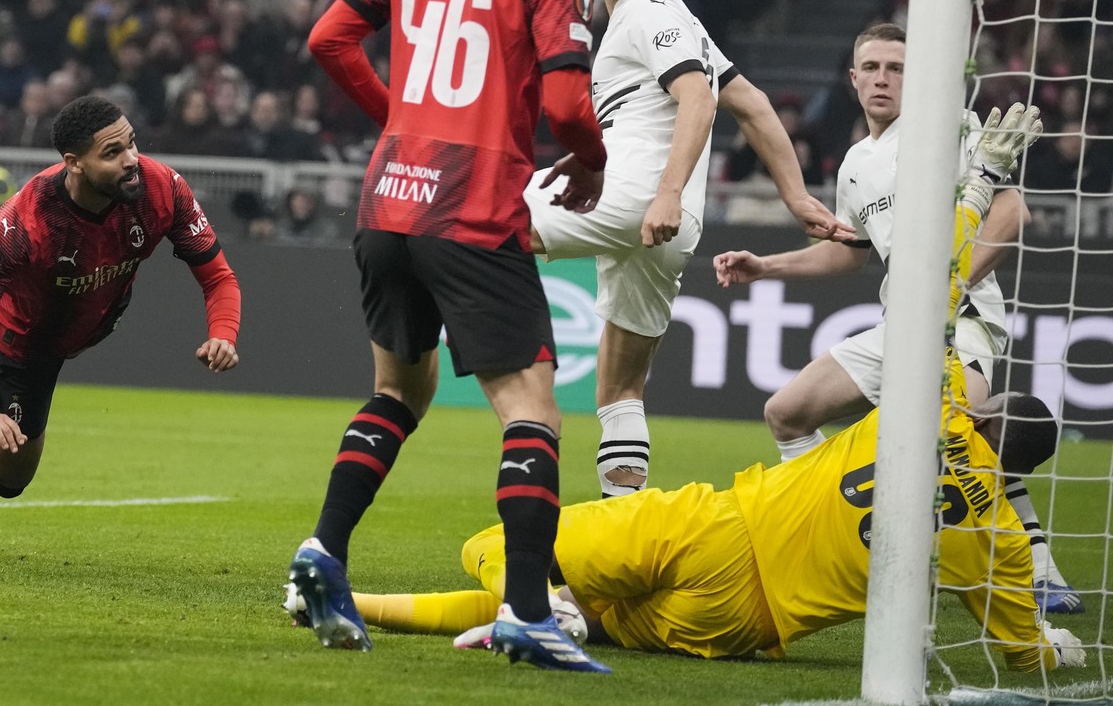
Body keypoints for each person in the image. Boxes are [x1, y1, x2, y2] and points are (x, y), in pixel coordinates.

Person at [316, 110, 1087, 673]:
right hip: (738, 623)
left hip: (715, 528)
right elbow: (1021, 647)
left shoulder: (933, 406)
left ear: (983, 410)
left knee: (492, 548)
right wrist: (1051, 648)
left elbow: (936, 284)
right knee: (578, 607)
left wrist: (978, 183)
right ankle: (380, 604)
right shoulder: (993, 535)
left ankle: (482, 601)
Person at [291, 0, 610, 671]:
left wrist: (401, 118)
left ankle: (322, 551)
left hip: (388, 199)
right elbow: (566, 102)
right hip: (470, 210)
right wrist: (591, 162)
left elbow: (327, 38)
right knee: (531, 407)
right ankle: (525, 611)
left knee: (400, 392)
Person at [712, 23, 1082, 615]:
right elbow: (849, 250)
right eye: (873, 67)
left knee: (965, 434)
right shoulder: (858, 160)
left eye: (898, 68)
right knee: (786, 413)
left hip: (960, 320)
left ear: (917, 78)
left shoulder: (947, 128)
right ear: (853, 79)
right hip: (899, 321)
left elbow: (1012, 210)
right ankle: (820, 529)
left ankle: (1040, 572)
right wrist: (767, 266)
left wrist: (950, 284)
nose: (884, 78)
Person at [522, 0, 853, 498]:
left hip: (633, 194)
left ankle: (502, 397)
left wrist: (667, 192)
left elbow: (697, 99)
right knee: (619, 391)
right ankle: (626, 527)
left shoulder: (650, 8)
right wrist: (797, 196)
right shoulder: (670, 17)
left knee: (470, 222)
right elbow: (752, 104)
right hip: (663, 226)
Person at [0, 95, 240, 502]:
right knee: (8, 477)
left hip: (89, 321)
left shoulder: (162, 187)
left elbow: (218, 278)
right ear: (75, 163)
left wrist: (223, 333)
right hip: (26, 341)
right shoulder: (25, 221)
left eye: (131, 143)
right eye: (113, 153)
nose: (131, 159)